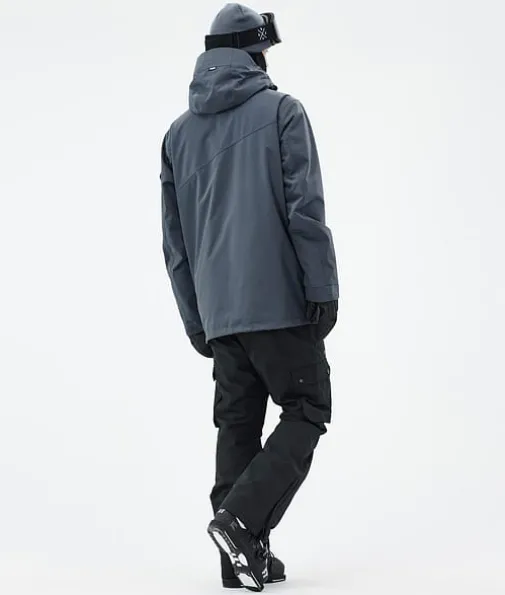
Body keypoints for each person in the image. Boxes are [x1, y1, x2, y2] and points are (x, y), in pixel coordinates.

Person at [160, 3, 339, 591]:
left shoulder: (177, 136)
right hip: (279, 301)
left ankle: (242, 561)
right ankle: (239, 522)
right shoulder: (282, 111)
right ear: (252, 53)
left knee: (237, 426)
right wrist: (322, 290)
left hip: (221, 315)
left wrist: (197, 320)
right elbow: (305, 210)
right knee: (307, 408)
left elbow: (175, 244)